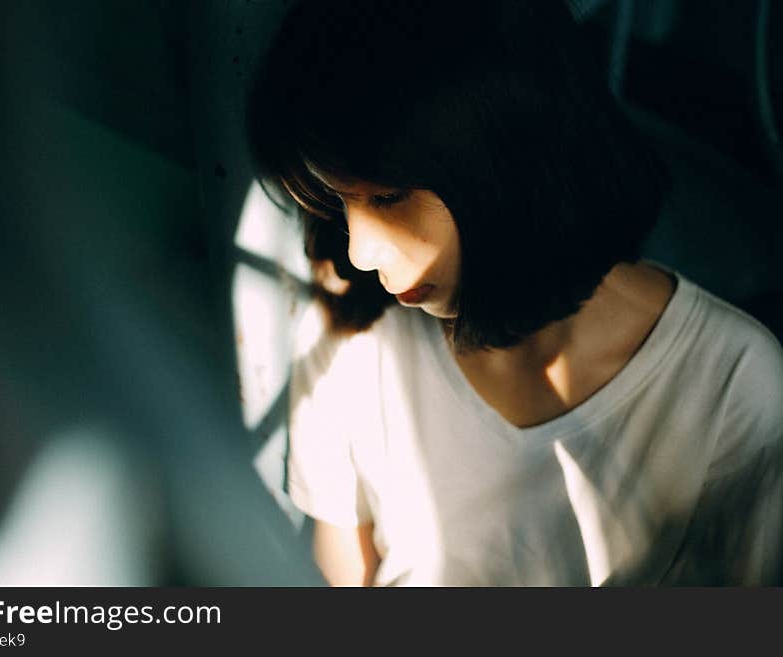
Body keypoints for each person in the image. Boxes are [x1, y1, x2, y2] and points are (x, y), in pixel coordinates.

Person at [245, 0, 783, 586]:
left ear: (506, 157)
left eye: (389, 197)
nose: (359, 253)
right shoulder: (352, 318)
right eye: (338, 201)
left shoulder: (736, 390)